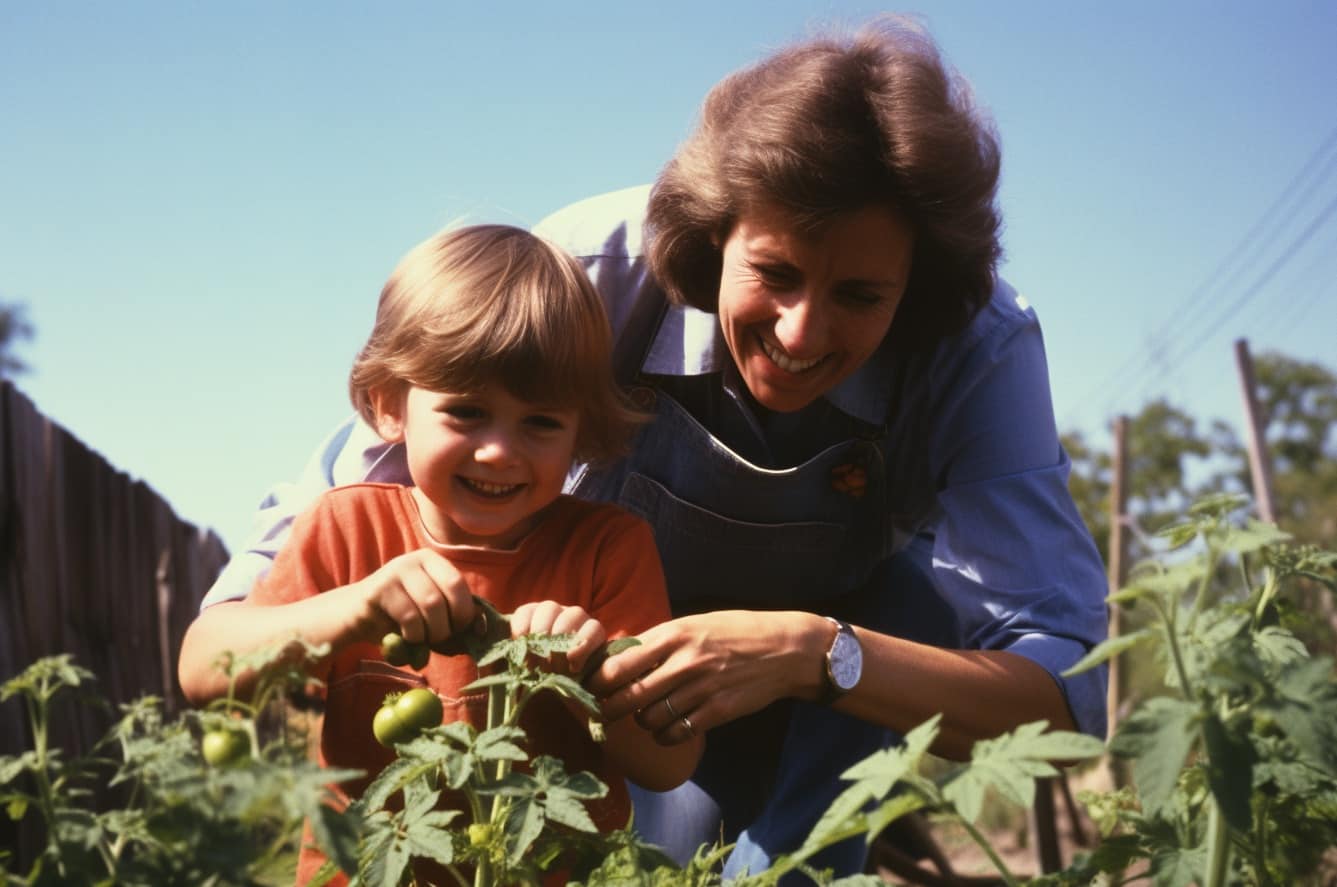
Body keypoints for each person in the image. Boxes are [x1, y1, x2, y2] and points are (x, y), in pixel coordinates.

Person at [191, 16, 1108, 881]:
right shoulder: (570, 286)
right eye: (774, 274)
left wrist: (808, 651)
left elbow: (1063, 699)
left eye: (860, 296)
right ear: (714, 240)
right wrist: (352, 606)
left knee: (911, 607)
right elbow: (264, 601)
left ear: (914, 289)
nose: (799, 331)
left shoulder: (977, 347)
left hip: (832, 663)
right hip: (627, 663)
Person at [177, 224, 704, 885]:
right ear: (388, 406)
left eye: (540, 422)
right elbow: (203, 668)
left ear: (581, 429)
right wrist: (355, 609)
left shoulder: (607, 548)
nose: (499, 450)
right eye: (465, 412)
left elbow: (671, 759)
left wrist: (585, 674)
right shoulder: (344, 527)